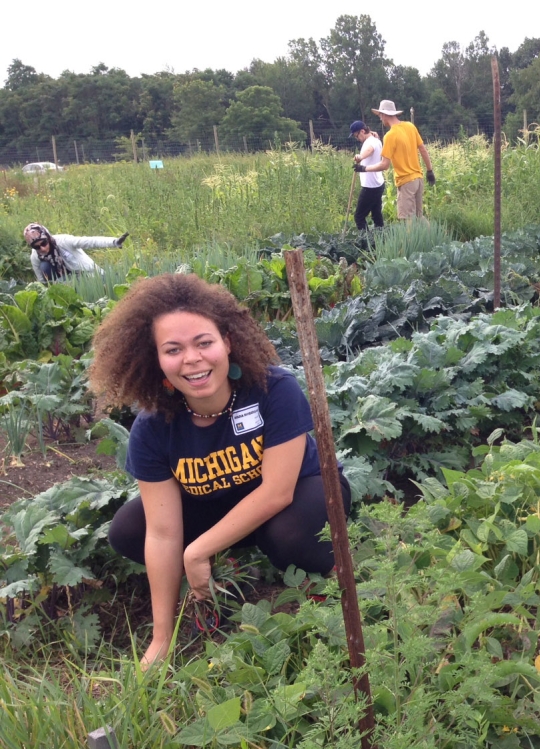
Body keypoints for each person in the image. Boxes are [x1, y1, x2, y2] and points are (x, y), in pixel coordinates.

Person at [88, 273, 351, 665]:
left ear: (226, 343)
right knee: (130, 529)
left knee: (288, 534)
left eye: (204, 342)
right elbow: (161, 533)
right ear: (156, 360)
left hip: (298, 496)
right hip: (217, 506)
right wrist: (161, 639)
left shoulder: (273, 390)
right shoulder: (152, 427)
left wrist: (196, 551)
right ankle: (219, 579)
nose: (192, 359)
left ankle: (316, 580)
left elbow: (277, 491)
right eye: (173, 349)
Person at [361, 99, 435, 220]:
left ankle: (411, 240)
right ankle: (433, 239)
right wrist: (430, 171)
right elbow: (422, 149)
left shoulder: (390, 135)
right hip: (418, 179)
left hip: (406, 182)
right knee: (419, 217)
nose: (380, 119)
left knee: (407, 220)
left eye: (380, 115)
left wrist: (364, 168)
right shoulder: (410, 126)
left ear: (385, 114)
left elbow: (384, 165)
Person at [24, 222, 127, 283]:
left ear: (48, 238)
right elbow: (41, 280)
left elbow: (90, 241)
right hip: (65, 280)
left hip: (85, 273)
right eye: (36, 247)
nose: (42, 248)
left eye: (44, 243)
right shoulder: (35, 256)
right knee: (44, 267)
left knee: (111, 282)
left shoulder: (64, 241)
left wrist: (114, 242)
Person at [350, 120, 385, 232]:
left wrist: (360, 157)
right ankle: (381, 239)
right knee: (376, 215)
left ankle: (366, 242)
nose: (357, 139)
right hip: (378, 184)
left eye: (357, 136)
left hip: (370, 187)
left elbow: (370, 150)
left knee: (359, 217)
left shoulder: (371, 143)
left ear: (362, 131)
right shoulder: (376, 139)